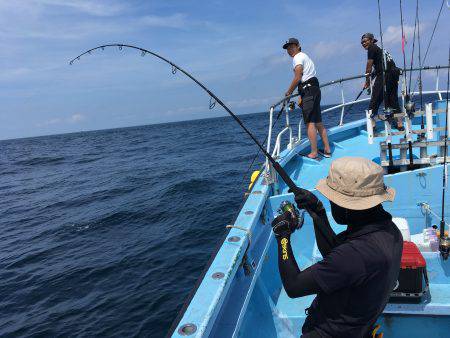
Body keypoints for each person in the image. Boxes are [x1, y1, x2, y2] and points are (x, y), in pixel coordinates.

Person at [271, 157, 403, 337]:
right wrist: (318, 212)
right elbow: (336, 257)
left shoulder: (355, 255)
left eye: (333, 200)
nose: (331, 203)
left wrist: (283, 237)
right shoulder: (389, 231)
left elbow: (294, 286)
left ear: (349, 206)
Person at [283, 38, 331, 159]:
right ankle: (327, 149)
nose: (289, 50)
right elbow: (306, 77)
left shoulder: (297, 57)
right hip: (314, 89)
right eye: (287, 48)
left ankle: (314, 153)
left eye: (291, 47)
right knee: (318, 122)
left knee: (310, 122)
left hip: (308, 91)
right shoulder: (305, 56)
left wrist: (288, 92)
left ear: (298, 46)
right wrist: (301, 96)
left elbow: (298, 76)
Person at [361, 33, 404, 131]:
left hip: (385, 75)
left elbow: (369, 65)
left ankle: (372, 126)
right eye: (362, 42)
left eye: (365, 41)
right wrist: (372, 77)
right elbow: (380, 65)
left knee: (375, 100)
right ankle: (400, 124)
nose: (363, 43)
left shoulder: (371, 48)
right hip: (394, 73)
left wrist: (367, 81)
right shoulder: (379, 49)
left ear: (371, 40)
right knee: (393, 99)